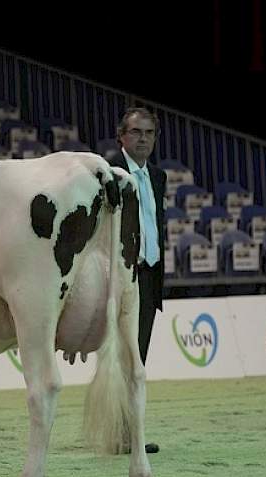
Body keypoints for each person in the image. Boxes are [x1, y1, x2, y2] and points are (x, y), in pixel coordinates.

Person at [108, 107, 166, 455]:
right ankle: (119, 434)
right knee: (119, 357)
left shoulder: (158, 176)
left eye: (148, 133)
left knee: (138, 357)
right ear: (122, 137)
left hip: (149, 276)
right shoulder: (109, 172)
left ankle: (131, 433)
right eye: (135, 132)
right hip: (120, 276)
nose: (142, 138)